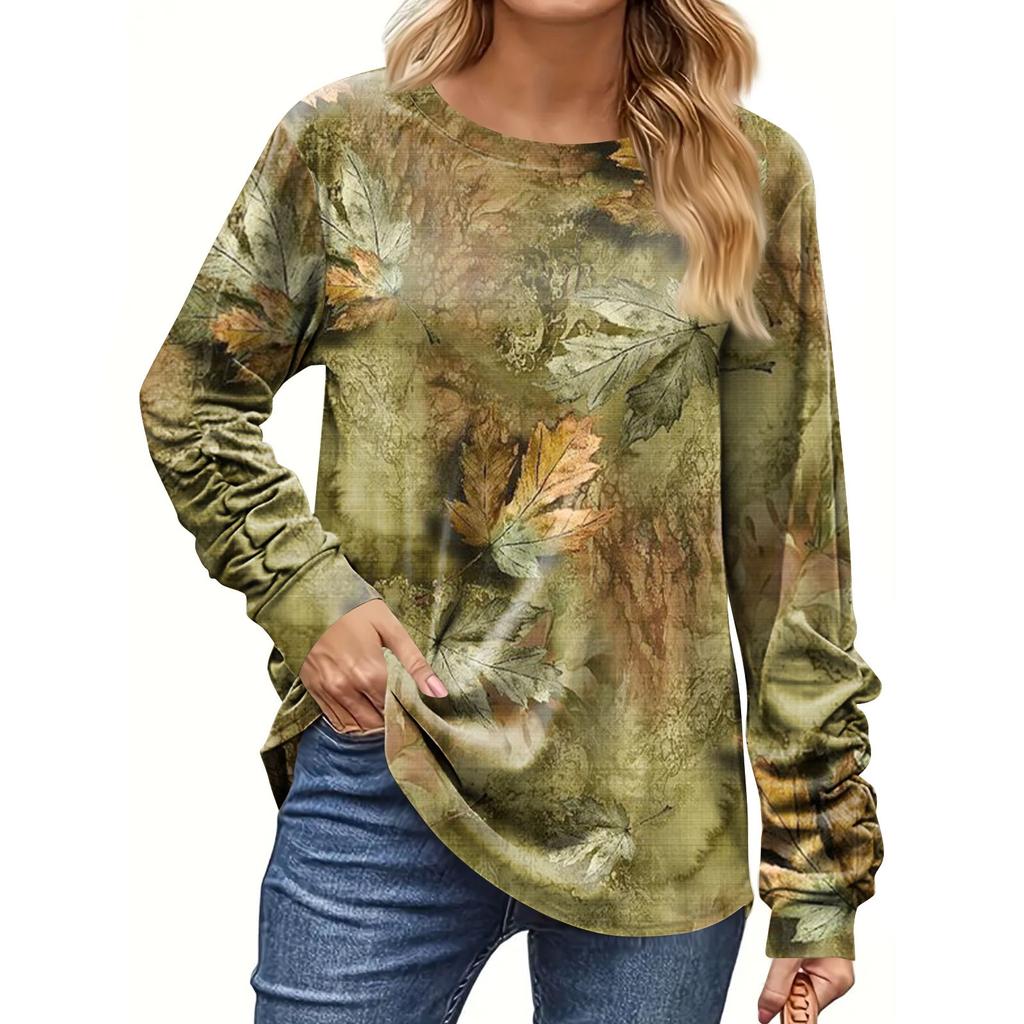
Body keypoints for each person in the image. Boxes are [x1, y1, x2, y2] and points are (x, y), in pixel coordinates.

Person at [138, 2, 884, 1021]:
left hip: (656, 818)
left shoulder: (746, 175)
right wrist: (306, 594)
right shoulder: (346, 143)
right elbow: (192, 396)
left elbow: (787, 545)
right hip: (394, 770)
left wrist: (818, 874)